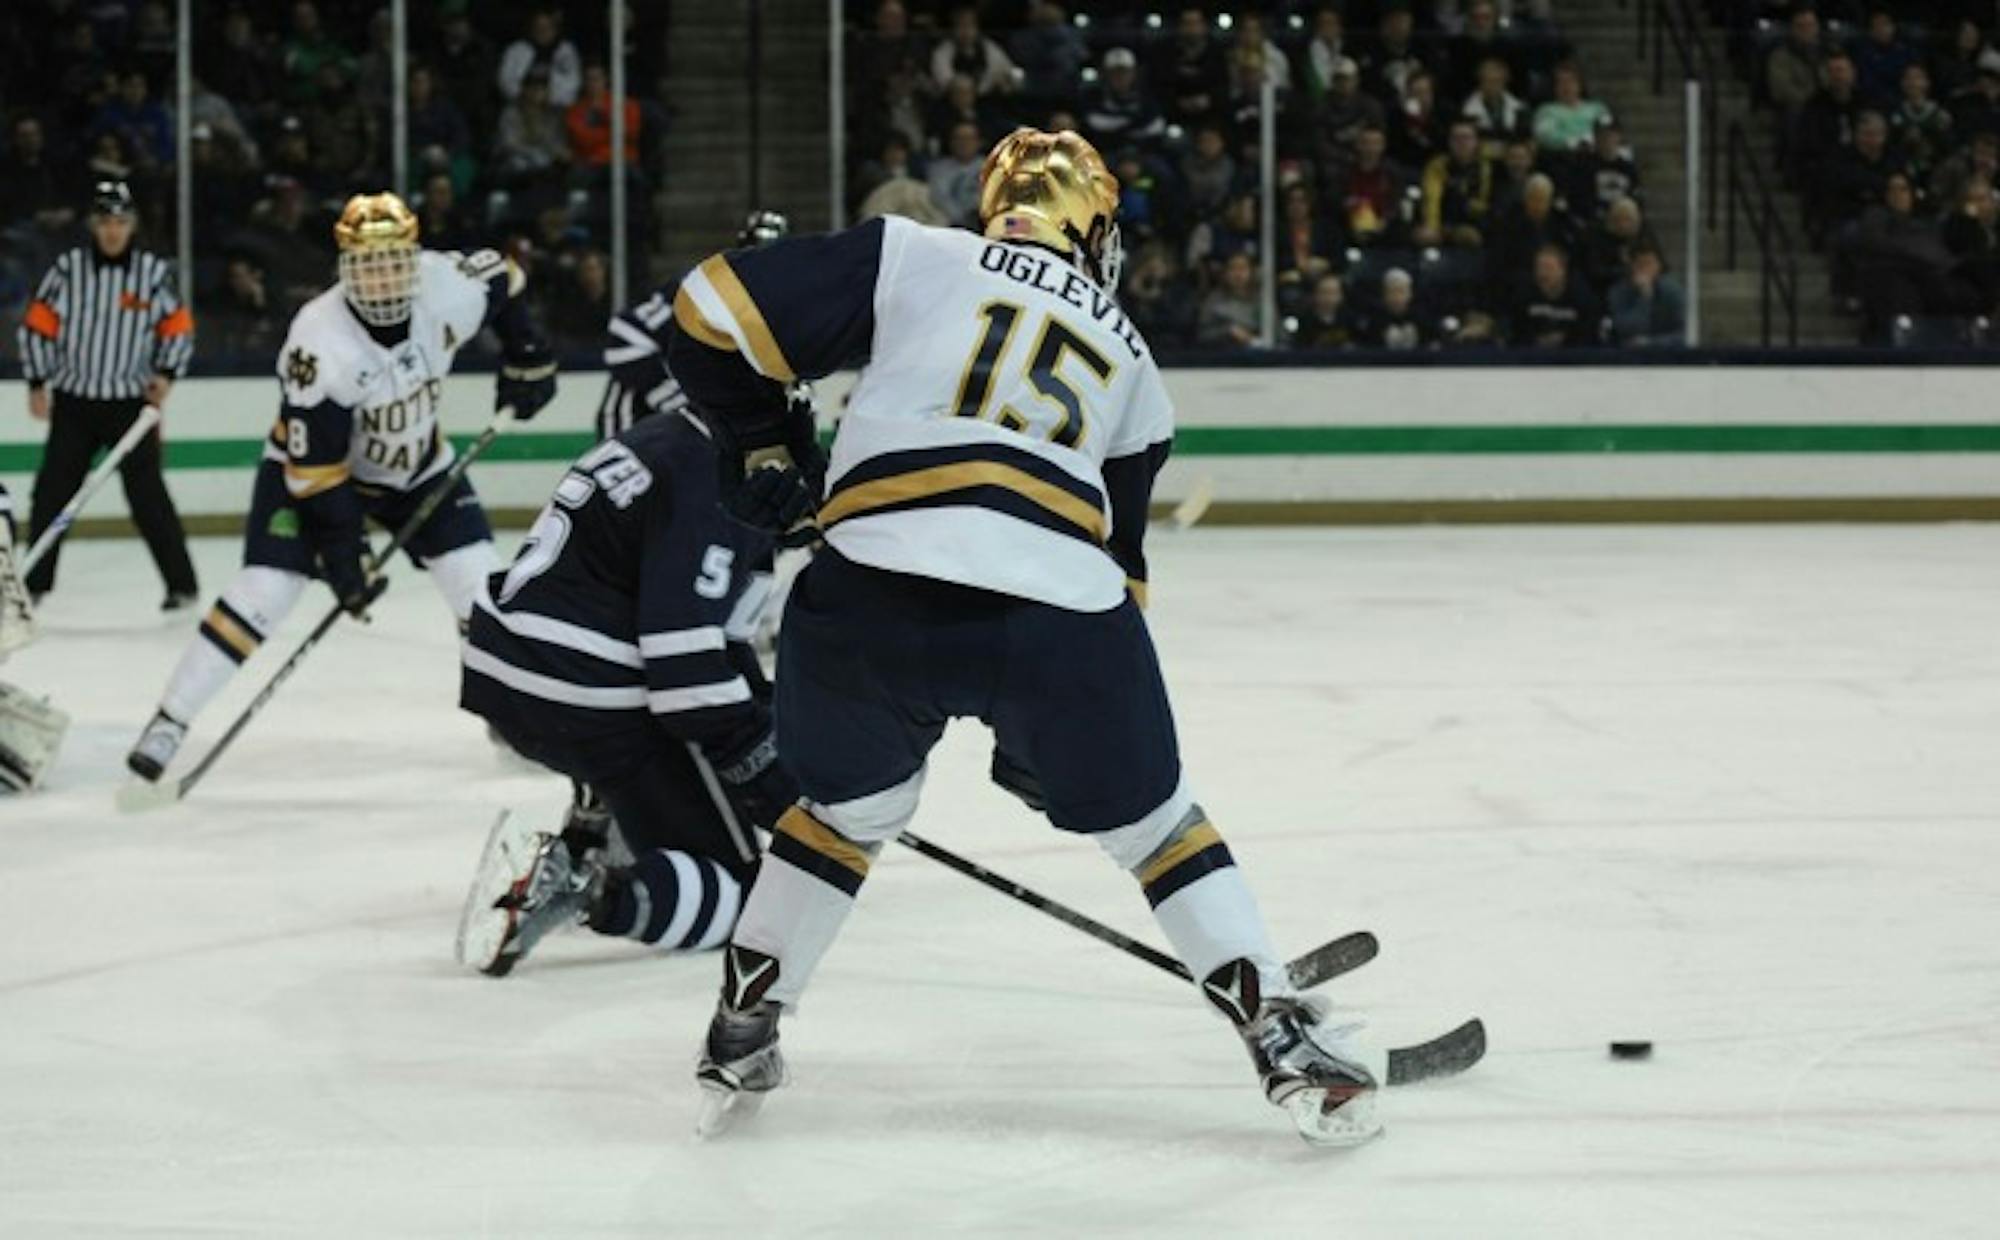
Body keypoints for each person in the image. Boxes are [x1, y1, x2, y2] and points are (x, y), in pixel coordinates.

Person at [667, 127, 1383, 1146]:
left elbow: (704, 310)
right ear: (1091, 231)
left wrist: (760, 434)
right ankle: (1276, 1033)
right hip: (1053, 616)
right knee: (1156, 826)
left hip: (864, 593)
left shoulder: (913, 251)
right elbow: (1118, 572)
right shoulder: (1131, 355)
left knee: (842, 812)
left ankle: (743, 1023)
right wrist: (1043, 741)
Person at [123, 192, 558, 783]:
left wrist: (527, 354)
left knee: (482, 590)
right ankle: (170, 720)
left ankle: (508, 715)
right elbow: (318, 470)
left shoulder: (444, 285)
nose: (381, 278)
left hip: (417, 467)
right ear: (344, 268)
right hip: (313, 476)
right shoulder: (318, 340)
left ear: (414, 257)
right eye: (366, 265)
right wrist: (343, 554)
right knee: (265, 591)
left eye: (393, 261)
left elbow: (505, 278)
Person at [452, 410, 791, 976]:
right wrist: (761, 769)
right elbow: (686, 679)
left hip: (510, 665)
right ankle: (584, 887)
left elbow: (718, 642)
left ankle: (594, 822)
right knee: (750, 905)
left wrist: (761, 737)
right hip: (584, 691)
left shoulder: (665, 437)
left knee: (684, 716)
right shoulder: (717, 476)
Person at [16, 181, 198, 607]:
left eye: (121, 222)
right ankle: (35, 585)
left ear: (132, 225)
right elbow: (37, 326)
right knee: (51, 494)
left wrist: (167, 374)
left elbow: (178, 329)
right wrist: (37, 381)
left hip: (130, 406)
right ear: (93, 225)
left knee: (148, 497)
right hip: (75, 403)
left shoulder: (153, 274)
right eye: (106, 222)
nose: (113, 231)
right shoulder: (67, 270)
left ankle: (182, 585)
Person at [594, 211, 789, 442]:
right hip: (637, 423)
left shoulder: (774, 310)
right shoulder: (703, 290)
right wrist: (680, 400)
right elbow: (624, 338)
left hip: (696, 433)